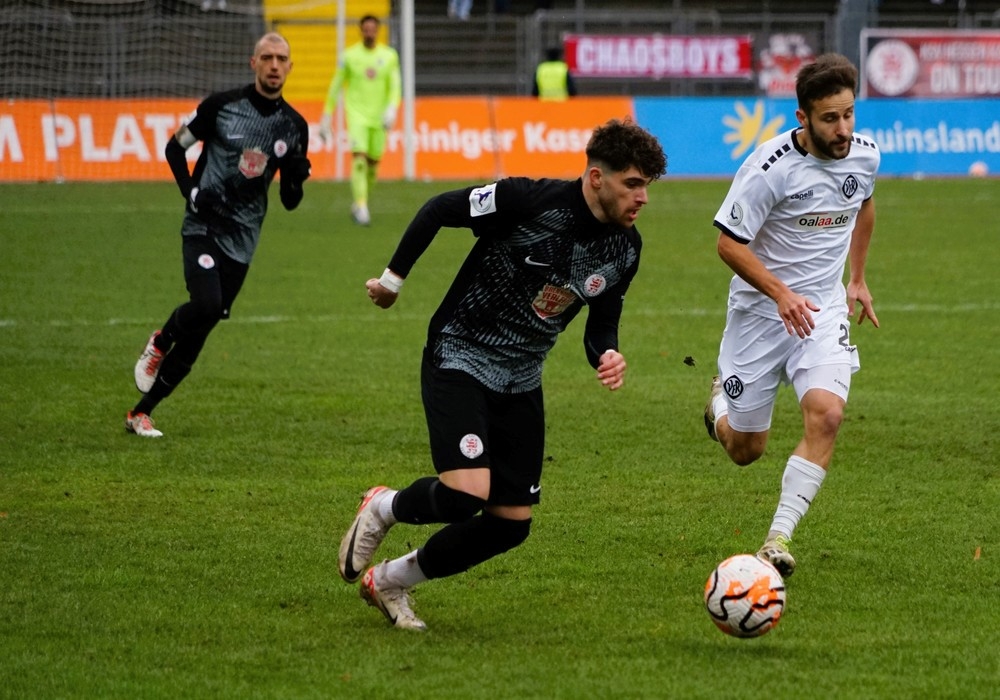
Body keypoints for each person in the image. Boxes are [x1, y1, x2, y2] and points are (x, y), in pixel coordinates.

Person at [339, 118, 666, 630]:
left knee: (510, 524)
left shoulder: (626, 248)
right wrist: (392, 281)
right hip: (461, 353)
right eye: (633, 184)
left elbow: (602, 323)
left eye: (647, 186)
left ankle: (390, 581)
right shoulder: (527, 201)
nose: (642, 197)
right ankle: (384, 507)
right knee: (465, 493)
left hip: (522, 377)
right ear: (596, 178)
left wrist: (607, 354)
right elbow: (438, 209)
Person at [704, 53, 880, 576]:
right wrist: (781, 293)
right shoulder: (769, 169)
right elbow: (728, 244)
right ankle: (718, 403)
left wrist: (857, 278)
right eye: (830, 118)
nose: (843, 128)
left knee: (828, 414)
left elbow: (864, 205)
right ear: (802, 118)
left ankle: (776, 539)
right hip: (761, 314)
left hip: (822, 310)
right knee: (745, 449)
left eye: (848, 114)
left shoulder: (865, 156)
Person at [126, 32, 311, 438]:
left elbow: (290, 201)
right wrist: (192, 193)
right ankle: (160, 341)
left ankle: (141, 413)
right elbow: (174, 148)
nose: (274, 65)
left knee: (202, 329)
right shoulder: (220, 107)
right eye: (267, 57)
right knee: (206, 303)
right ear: (253, 62)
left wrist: (297, 179)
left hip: (243, 241)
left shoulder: (295, 126)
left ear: (290, 67)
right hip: (204, 225)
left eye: (281, 59)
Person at [319, 15, 401, 226]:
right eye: (366, 29)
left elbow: (395, 85)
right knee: (359, 160)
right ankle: (362, 206)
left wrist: (392, 108)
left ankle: (359, 203)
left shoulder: (389, 56)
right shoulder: (349, 56)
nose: (369, 33)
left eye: (373, 29)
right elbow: (336, 85)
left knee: (373, 166)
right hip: (356, 115)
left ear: (378, 31)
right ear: (361, 31)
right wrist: (327, 115)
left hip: (379, 117)